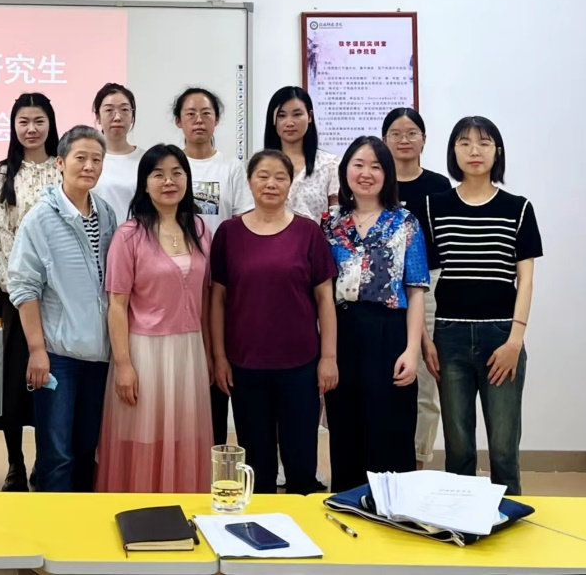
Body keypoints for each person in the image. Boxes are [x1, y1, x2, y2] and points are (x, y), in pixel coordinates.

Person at [425, 116, 542, 495]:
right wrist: (426, 339)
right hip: (450, 336)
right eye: (464, 142)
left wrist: (515, 341)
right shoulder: (435, 206)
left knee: (504, 448)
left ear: (497, 151)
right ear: (453, 151)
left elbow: (525, 280)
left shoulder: (518, 208)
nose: (474, 151)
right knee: (458, 448)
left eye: (484, 142)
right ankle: (459, 519)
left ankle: (508, 519)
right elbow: (422, 280)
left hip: (501, 335)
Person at [210, 150, 337, 495]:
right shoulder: (229, 233)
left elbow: (325, 299)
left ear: (290, 183)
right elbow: (217, 299)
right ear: (249, 182)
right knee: (256, 465)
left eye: (280, 177)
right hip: (245, 364)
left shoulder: (308, 232)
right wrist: (219, 357)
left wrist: (328, 358)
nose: (271, 184)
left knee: (301, 461)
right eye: (262, 176)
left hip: (300, 366)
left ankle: (302, 521)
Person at [96, 144, 214, 494]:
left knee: (184, 435)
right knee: (143, 436)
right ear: (144, 184)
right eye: (158, 174)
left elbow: (205, 298)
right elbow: (117, 305)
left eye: (177, 173)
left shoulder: (199, 229)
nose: (169, 181)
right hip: (144, 352)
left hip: (188, 350)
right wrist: (124, 365)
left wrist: (209, 353)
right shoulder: (129, 234)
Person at [9, 125, 119, 493]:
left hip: (99, 354)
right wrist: (37, 351)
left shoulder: (105, 214)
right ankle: (52, 527)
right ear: (60, 162)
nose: (89, 166)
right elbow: (24, 287)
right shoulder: (40, 218)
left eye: (96, 160)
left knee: (88, 450)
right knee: (57, 455)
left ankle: (83, 525)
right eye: (80, 158)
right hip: (59, 356)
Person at [322, 136, 429, 493]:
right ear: (345, 171)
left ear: (387, 174)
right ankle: (348, 505)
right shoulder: (330, 223)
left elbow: (415, 290)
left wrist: (412, 350)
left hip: (389, 335)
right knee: (346, 430)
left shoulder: (405, 222)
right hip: (342, 333)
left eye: (376, 166)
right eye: (358, 164)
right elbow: (321, 291)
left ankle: (393, 512)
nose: (366, 173)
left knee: (390, 430)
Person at [0, 93, 62, 492]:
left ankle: (46, 463)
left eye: (39, 121)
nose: (31, 129)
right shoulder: (0, 174)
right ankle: (15, 464)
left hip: (59, 296)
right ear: (13, 127)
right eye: (23, 122)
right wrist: (16, 288)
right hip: (16, 295)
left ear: (51, 124)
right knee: (15, 387)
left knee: (53, 386)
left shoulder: (63, 167)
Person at [173, 87, 253, 449]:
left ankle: (218, 457)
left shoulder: (231, 167)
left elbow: (242, 223)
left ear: (217, 120)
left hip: (221, 284)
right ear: (179, 121)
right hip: (177, 284)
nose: (199, 120)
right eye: (190, 113)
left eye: (206, 113)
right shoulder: (172, 165)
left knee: (218, 373)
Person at [382, 107, 453, 471]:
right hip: (381, 287)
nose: (404, 140)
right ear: (385, 140)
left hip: (429, 285)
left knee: (425, 378)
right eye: (396, 133)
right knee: (383, 376)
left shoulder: (439, 186)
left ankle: (418, 463)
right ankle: (381, 461)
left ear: (424, 140)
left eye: (412, 133)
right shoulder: (377, 182)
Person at [263, 86, 339, 223]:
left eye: (297, 114)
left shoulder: (330, 165)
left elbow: (336, 221)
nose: (289, 122)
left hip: (315, 237)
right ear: (273, 120)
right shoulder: (259, 166)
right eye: (281, 115)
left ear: (310, 116)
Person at [91, 83, 143, 225]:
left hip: (137, 236)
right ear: (98, 116)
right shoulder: (88, 160)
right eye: (109, 110)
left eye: (124, 109)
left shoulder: (146, 159)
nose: (117, 117)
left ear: (132, 116)